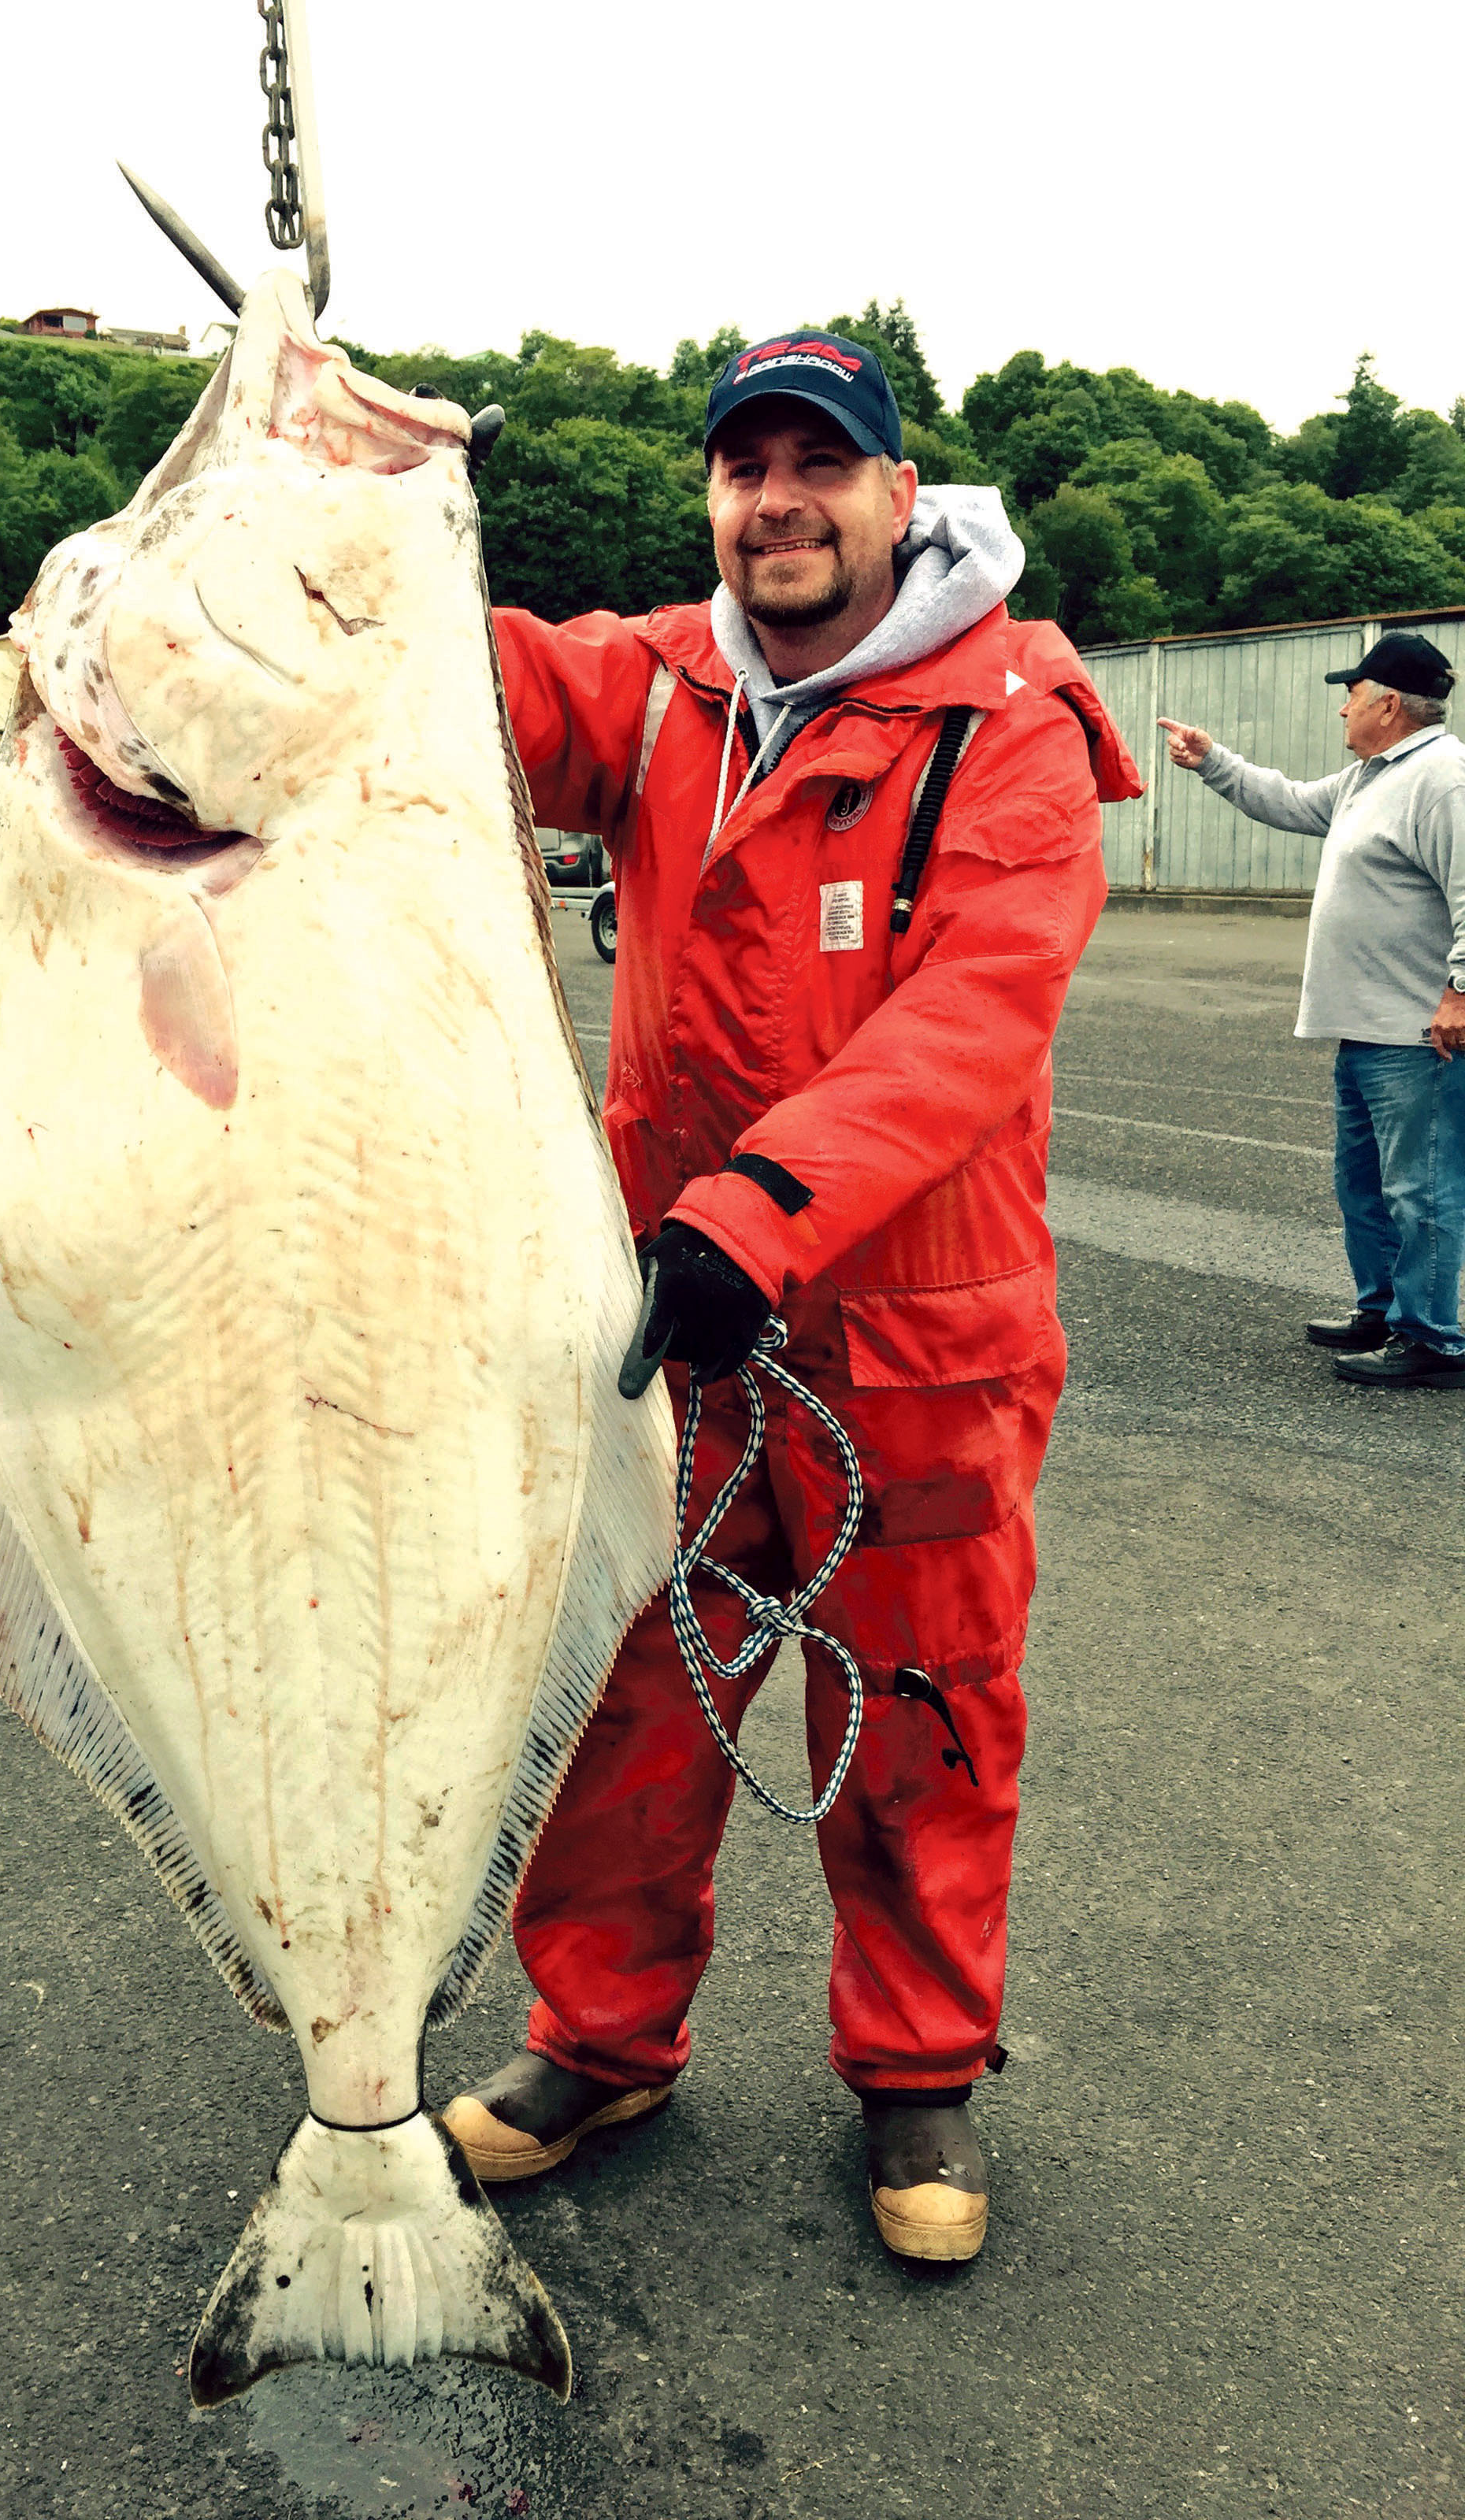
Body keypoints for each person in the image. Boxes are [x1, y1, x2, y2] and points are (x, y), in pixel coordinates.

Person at [441, 332, 1139, 2262]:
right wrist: (365, 495)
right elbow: (449, 672)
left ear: (895, 496)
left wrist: (756, 1209)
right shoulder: (652, 691)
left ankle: (916, 2078)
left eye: (815, 466)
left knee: (920, 1709)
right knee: (620, 1700)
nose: (775, 501)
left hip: (914, 1334)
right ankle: (597, 2034)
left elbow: (973, 1013)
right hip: (674, 1329)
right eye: (740, 468)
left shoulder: (1004, 714)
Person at [1158, 632, 1465, 1392]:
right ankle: (1384, 1309)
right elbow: (1291, 802)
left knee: (1420, 1189)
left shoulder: (1443, 779)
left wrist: (1460, 992)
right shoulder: (1371, 776)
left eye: (1352, 696)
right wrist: (1214, 761)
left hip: (1415, 1034)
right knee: (1363, 1184)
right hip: (1363, 1029)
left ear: (1389, 705)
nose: (1342, 709)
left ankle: (1432, 1336)